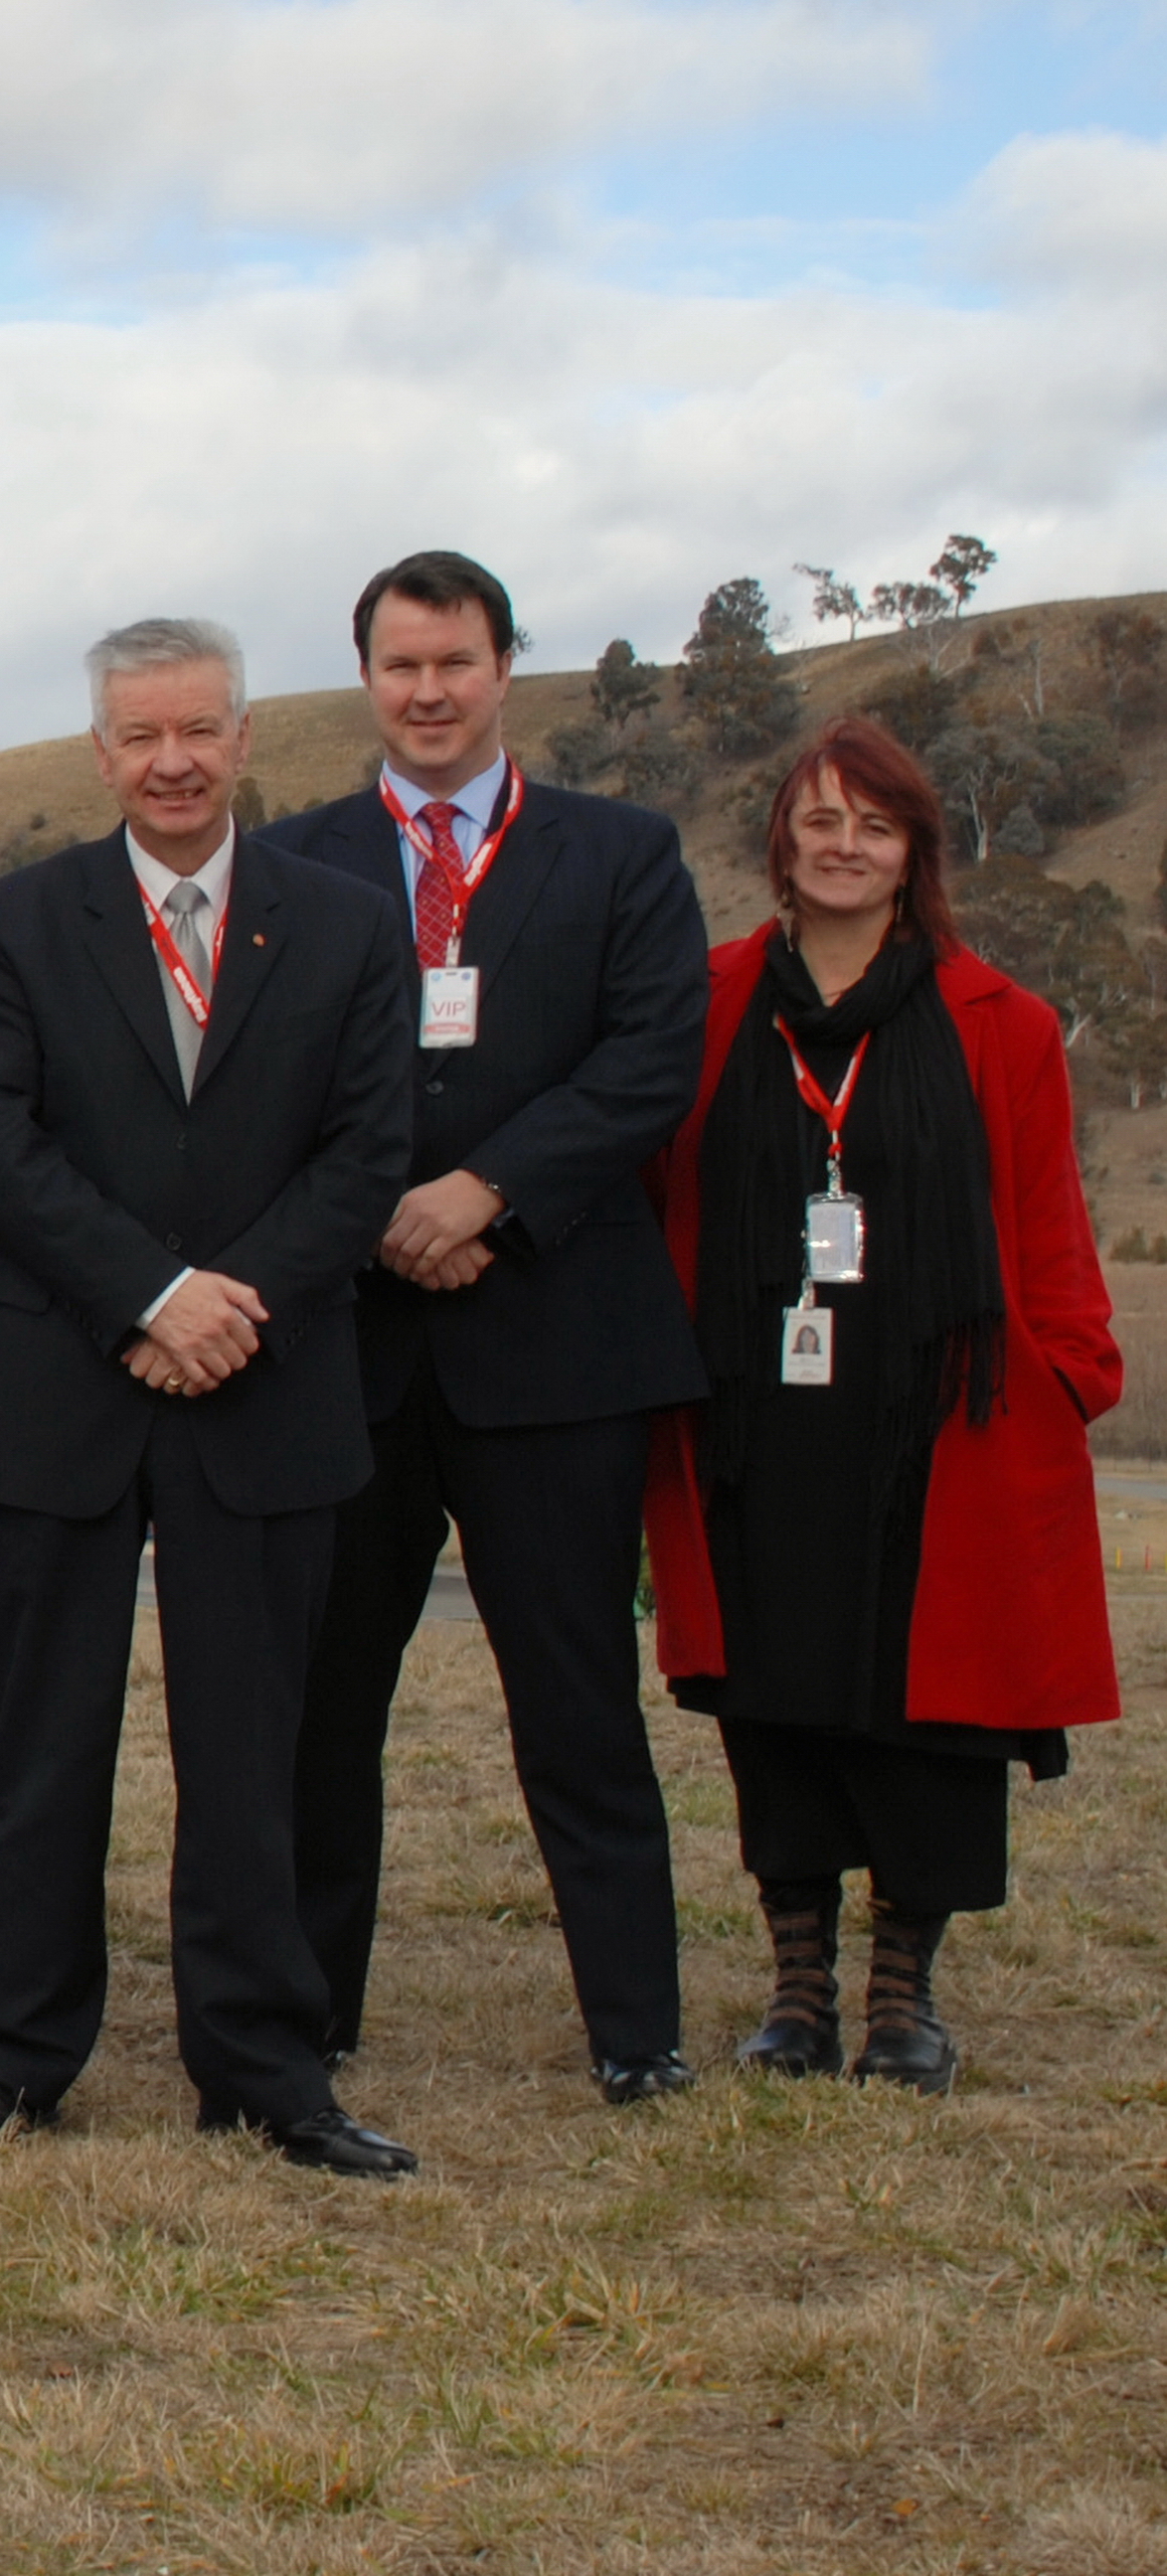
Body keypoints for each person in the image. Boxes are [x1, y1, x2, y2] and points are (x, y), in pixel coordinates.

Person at [0, 618, 422, 2176]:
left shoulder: (344, 925)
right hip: (61, 1383)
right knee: (40, 1745)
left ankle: (267, 2071)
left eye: (198, 729)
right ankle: (11, 2058)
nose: (173, 761)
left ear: (247, 738)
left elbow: (368, 1151)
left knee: (256, 1754)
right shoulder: (13, 925)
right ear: (101, 754)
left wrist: (227, 1308)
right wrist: (150, 1295)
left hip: (265, 1383)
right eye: (140, 737)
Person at [258, 552, 714, 2106]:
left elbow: (653, 1062)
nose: (430, 693)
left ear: (507, 666)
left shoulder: (622, 853)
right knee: (327, 1707)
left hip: (557, 1344)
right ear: (366, 679)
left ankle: (636, 2034)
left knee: (577, 1700)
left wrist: (488, 1193)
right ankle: (307, 2013)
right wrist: (387, 1207)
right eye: (400, 667)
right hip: (353, 1351)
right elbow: (264, 1084)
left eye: (455, 663)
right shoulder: (295, 863)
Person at [642, 717, 1120, 2093]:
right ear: (782, 840)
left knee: (934, 1710)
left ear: (915, 851)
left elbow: (1043, 1216)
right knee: (774, 1690)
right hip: (760, 1410)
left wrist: (1074, 1370)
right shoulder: (714, 1000)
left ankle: (902, 1995)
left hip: (943, 1414)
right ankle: (798, 1988)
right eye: (820, 819)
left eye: (876, 823)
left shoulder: (1000, 1020)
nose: (843, 844)